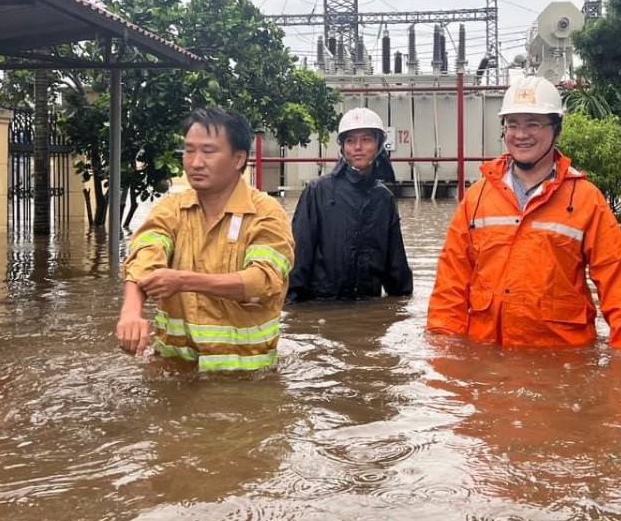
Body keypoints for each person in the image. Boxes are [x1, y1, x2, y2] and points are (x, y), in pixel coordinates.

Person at [427, 76, 621, 351]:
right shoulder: (477, 198)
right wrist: (444, 354)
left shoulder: (585, 199)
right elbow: (450, 285)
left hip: (562, 361)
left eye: (533, 124)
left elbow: (620, 285)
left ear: (556, 129)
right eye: (512, 125)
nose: (521, 134)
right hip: (488, 362)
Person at [116, 106, 294, 371]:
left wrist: (184, 280)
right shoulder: (171, 209)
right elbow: (144, 258)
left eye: (208, 151)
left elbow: (262, 282)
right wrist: (130, 312)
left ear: (238, 159)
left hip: (248, 381)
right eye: (189, 150)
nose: (195, 162)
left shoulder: (266, 214)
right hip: (176, 373)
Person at [286, 107, 413, 303]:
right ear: (343, 147)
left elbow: (396, 265)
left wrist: (403, 305)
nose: (358, 147)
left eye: (366, 140)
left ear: (379, 145)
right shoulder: (318, 191)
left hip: (368, 308)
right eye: (350, 140)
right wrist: (295, 312)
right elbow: (299, 256)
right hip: (322, 307)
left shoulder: (384, 199)